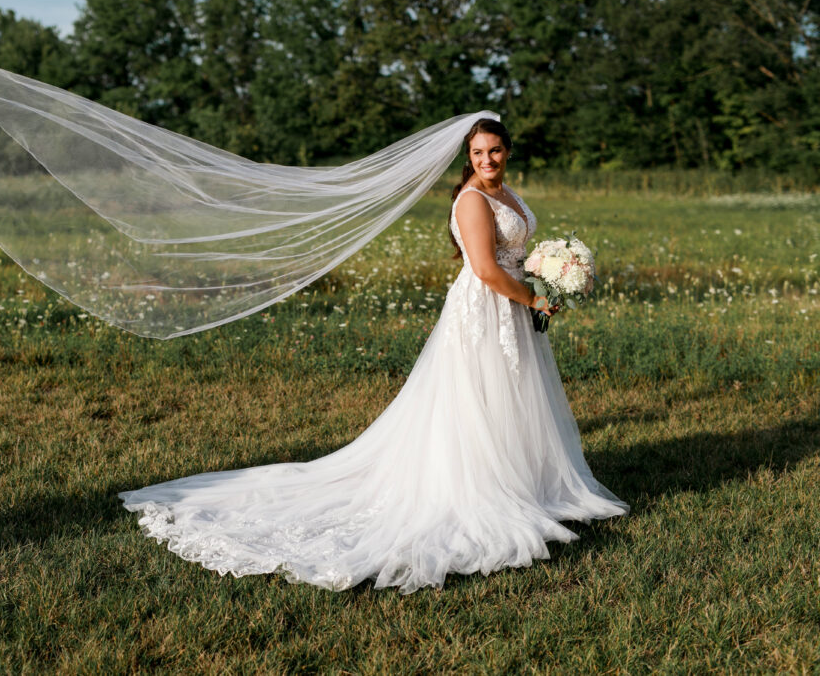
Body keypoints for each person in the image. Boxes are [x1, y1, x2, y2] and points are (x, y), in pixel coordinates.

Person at [118, 117, 629, 594]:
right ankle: (478, 490)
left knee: (513, 395)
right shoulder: (473, 200)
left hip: (512, 307)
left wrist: (546, 269)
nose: (487, 159)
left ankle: (524, 482)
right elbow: (485, 270)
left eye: (494, 150)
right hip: (488, 308)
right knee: (480, 397)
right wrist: (536, 297)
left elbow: (513, 256)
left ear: (508, 151)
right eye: (477, 152)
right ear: (467, 157)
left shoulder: (505, 191)